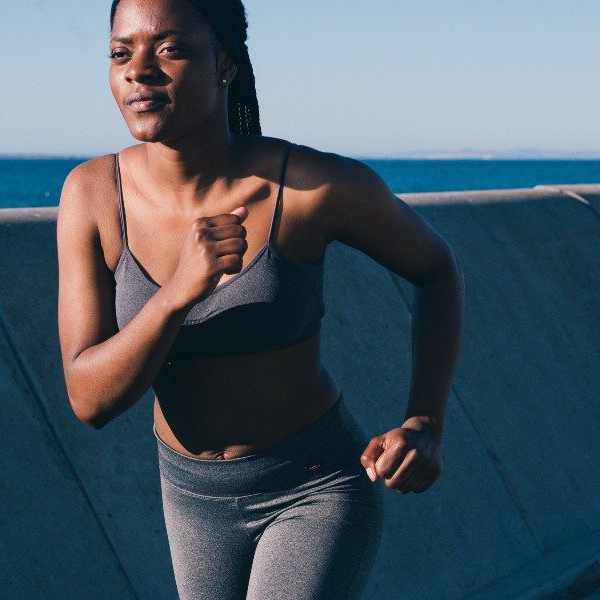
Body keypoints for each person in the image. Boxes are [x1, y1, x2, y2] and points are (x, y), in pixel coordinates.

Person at [56, 0, 464, 597]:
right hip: (191, 499)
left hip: (312, 484)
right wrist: (175, 295)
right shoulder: (92, 195)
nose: (138, 70)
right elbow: (89, 399)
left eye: (170, 49)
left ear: (225, 65)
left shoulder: (311, 189)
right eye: (121, 53)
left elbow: (436, 268)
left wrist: (425, 420)